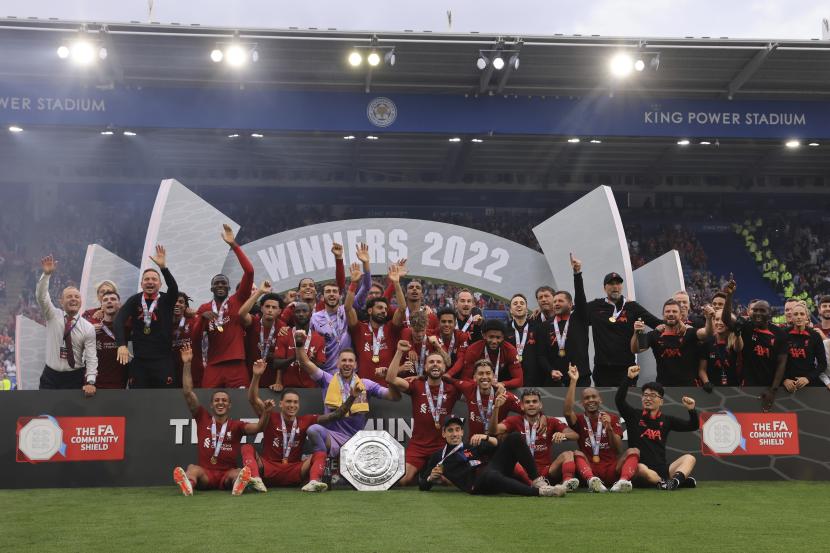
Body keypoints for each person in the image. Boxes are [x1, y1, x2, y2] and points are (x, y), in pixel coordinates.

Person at [294, 338, 401, 492]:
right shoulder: (327, 380)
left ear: (355, 365)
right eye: (343, 360)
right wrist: (299, 344)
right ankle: (324, 472)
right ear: (338, 364)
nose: (347, 363)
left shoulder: (366, 384)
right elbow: (305, 363)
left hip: (356, 440)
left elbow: (394, 397)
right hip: (333, 436)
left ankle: (347, 469)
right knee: (314, 430)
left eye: (351, 361)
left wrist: (389, 380)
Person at [241, 358, 359, 491]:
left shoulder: (306, 420)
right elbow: (252, 399)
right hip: (269, 467)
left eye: (295, 402)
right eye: (288, 402)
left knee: (319, 454)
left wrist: (352, 397)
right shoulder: (270, 415)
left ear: (298, 405)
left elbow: (335, 415)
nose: (292, 405)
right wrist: (256, 376)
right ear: (281, 404)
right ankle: (256, 480)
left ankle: (314, 481)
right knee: (247, 447)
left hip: (294, 469)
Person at [172, 345, 271, 496]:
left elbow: (258, 428)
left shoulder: (236, 425)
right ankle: (189, 484)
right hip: (206, 473)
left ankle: (238, 483)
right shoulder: (202, 417)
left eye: (224, 400)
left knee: (239, 472)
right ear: (211, 404)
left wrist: (266, 413)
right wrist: (187, 364)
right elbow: (187, 393)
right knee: (193, 469)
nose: (220, 403)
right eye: (217, 400)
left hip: (227, 473)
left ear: (229, 405)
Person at [419, 416, 566, 497]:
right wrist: (431, 478)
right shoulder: (439, 456)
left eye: (457, 430)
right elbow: (423, 486)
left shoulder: (472, 444)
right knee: (490, 474)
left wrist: (485, 437)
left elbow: (497, 445)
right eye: (450, 431)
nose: (454, 434)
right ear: (444, 433)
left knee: (514, 437)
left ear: (462, 432)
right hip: (476, 485)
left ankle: (537, 481)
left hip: (493, 470)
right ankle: (541, 492)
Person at [386, 339, 460, 486]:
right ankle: (424, 474)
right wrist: (400, 351)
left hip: (443, 446)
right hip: (418, 446)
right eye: (431, 362)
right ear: (425, 367)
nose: (435, 365)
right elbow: (390, 378)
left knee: (450, 481)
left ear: (444, 368)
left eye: (439, 362)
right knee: (403, 479)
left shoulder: (453, 388)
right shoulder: (417, 385)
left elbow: (475, 388)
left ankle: (426, 475)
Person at [615, 365, 699, 490]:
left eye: (653, 395)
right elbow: (619, 401)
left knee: (689, 458)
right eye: (645, 395)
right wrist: (628, 378)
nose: (648, 398)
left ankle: (675, 481)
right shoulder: (633, 415)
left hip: (663, 468)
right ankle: (671, 482)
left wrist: (692, 410)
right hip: (642, 470)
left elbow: (692, 426)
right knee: (641, 468)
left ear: (661, 401)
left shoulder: (667, 420)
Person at [192, 225, 254, 388]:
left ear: (228, 287)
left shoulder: (238, 299)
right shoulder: (204, 307)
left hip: (237, 364)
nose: (220, 285)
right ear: (211, 288)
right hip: (213, 365)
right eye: (216, 284)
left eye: (223, 283)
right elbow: (195, 338)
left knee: (242, 406)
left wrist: (234, 245)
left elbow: (249, 272)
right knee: (208, 404)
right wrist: (201, 320)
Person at [563, 364, 640, 493]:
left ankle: (622, 481)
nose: (591, 400)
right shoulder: (580, 419)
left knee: (634, 451)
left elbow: (619, 449)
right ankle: (592, 481)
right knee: (577, 453)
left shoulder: (612, 418)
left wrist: (609, 427)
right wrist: (573, 381)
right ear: (582, 402)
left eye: (594, 397)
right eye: (587, 398)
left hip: (612, 468)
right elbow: (567, 412)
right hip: (590, 468)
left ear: (600, 400)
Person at [490, 388, 580, 491]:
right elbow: (493, 431)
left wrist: (563, 435)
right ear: (522, 406)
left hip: (546, 471)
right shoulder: (514, 421)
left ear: (540, 405)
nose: (531, 404)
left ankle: (567, 484)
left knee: (568, 454)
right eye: (527, 402)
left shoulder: (551, 421)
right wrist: (496, 408)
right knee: (513, 462)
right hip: (523, 471)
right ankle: (535, 486)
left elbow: (575, 435)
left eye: (534, 401)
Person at [114, 245, 178, 388]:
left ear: (160, 284)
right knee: (138, 401)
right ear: (142, 284)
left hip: (163, 361)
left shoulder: (167, 299)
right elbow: (118, 321)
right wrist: (121, 345)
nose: (150, 282)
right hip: (140, 362)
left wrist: (163, 268)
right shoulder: (134, 300)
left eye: (154, 279)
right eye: (147, 279)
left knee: (164, 400)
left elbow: (174, 288)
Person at [36, 255, 97, 396]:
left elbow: (91, 356)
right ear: (61, 301)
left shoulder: (88, 327)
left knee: (72, 416)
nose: (73, 299)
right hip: (50, 377)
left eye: (76, 297)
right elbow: (41, 297)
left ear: (81, 302)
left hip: (74, 377)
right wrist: (46, 275)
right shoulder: (52, 315)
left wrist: (91, 381)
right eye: (69, 296)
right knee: (46, 414)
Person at [587, 272, 662, 386]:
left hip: (626, 368)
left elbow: (657, 324)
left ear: (621, 287)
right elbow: (574, 313)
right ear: (604, 288)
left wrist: (684, 325)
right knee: (604, 403)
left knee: (627, 402)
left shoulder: (632, 307)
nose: (615, 287)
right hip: (602, 369)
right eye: (611, 284)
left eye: (618, 284)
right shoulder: (595, 306)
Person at [311, 244, 372, 374]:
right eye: (328, 292)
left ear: (340, 295)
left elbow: (366, 286)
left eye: (335, 291)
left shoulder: (349, 309)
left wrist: (366, 263)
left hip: (350, 372)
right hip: (326, 372)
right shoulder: (315, 318)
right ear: (322, 297)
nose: (332, 294)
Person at [345, 263, 406, 383]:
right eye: (379, 308)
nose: (383, 311)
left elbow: (402, 308)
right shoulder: (359, 328)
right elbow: (348, 308)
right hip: (362, 387)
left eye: (385, 308)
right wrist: (354, 283)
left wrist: (396, 283)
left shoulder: (391, 328)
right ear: (370, 310)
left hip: (387, 387)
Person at [632, 299, 714, 386]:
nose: (671, 314)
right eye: (668, 311)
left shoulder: (689, 332)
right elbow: (635, 349)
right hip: (664, 389)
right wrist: (636, 333)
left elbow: (707, 333)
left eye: (674, 311)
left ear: (680, 315)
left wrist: (709, 319)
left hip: (689, 388)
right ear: (663, 315)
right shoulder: (654, 335)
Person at [537, 254, 590, 387]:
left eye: (560, 301)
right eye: (554, 301)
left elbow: (580, 298)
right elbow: (541, 355)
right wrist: (550, 371)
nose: (556, 303)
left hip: (580, 377)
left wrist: (577, 273)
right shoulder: (544, 326)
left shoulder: (579, 319)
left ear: (571, 304)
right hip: (555, 379)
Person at [732, 299, 787, 410]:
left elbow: (782, 364)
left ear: (770, 313)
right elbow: (727, 320)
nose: (758, 313)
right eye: (755, 310)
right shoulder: (746, 328)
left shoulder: (780, 334)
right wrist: (729, 295)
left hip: (770, 386)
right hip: (747, 385)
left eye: (762, 310)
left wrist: (773, 389)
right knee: (747, 421)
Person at [446, 358, 521, 436]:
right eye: (481, 373)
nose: (484, 376)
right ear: (474, 377)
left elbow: (528, 411)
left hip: (497, 444)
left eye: (488, 373)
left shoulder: (504, 395)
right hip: (474, 444)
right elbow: (450, 380)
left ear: (493, 376)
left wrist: (511, 425)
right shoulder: (468, 388)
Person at [280, 243, 346, 324]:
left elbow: (339, 287)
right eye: (304, 286)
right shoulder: (293, 307)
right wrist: (285, 304)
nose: (308, 287)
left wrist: (338, 258)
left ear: (315, 291)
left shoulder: (324, 305)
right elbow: (279, 325)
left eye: (311, 285)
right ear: (298, 292)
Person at [452, 319, 523, 389]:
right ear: (484, 335)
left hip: (501, 388)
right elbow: (465, 378)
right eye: (491, 337)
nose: (494, 341)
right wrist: (482, 384)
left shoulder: (510, 350)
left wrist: (503, 384)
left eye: (498, 337)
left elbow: (519, 380)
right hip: (478, 387)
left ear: (503, 337)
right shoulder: (473, 350)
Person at [239, 280, 285, 387]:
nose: (270, 310)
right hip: (250, 377)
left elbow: (283, 358)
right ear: (261, 308)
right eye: (267, 306)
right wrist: (259, 292)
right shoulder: (253, 322)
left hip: (272, 380)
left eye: (274, 307)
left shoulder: (283, 327)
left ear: (279, 311)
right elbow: (241, 314)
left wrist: (278, 381)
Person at [272, 302, 326, 389]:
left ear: (311, 314)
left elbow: (322, 367)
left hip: (311, 389)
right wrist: (295, 357)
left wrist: (308, 361)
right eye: (297, 311)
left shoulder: (319, 338)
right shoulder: (284, 335)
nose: (301, 314)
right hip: (288, 388)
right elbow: (276, 364)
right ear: (293, 314)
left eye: (304, 311)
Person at [781, 303, 826, 390]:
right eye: (795, 314)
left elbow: (822, 364)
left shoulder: (815, 336)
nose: (799, 317)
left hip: (809, 383)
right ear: (791, 317)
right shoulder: (783, 334)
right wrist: (784, 379)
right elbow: (776, 361)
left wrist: (808, 378)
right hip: (787, 384)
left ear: (807, 317)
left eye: (802, 314)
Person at [504, 293, 541, 386]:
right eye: (515, 303)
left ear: (526, 309)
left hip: (534, 379)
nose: (519, 305)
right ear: (511, 310)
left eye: (522, 303)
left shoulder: (537, 327)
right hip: (510, 377)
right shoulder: (504, 329)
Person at [94, 290, 128, 389]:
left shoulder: (127, 325)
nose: (109, 301)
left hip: (120, 383)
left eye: (113, 299)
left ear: (119, 305)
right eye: (105, 300)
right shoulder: (93, 328)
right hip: (97, 384)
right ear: (101, 306)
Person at [172, 292, 201, 388]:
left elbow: (212, 323)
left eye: (181, 302)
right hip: (172, 375)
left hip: (194, 373)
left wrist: (196, 313)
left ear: (185, 306)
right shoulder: (164, 325)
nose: (176, 304)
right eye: (174, 301)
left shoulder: (194, 321)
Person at [434, 307, 470, 376]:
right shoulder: (433, 334)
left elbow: (461, 359)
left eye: (450, 322)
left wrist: (449, 374)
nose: (447, 324)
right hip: (435, 375)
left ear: (455, 323)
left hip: (454, 376)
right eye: (443, 321)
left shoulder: (462, 336)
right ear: (438, 322)